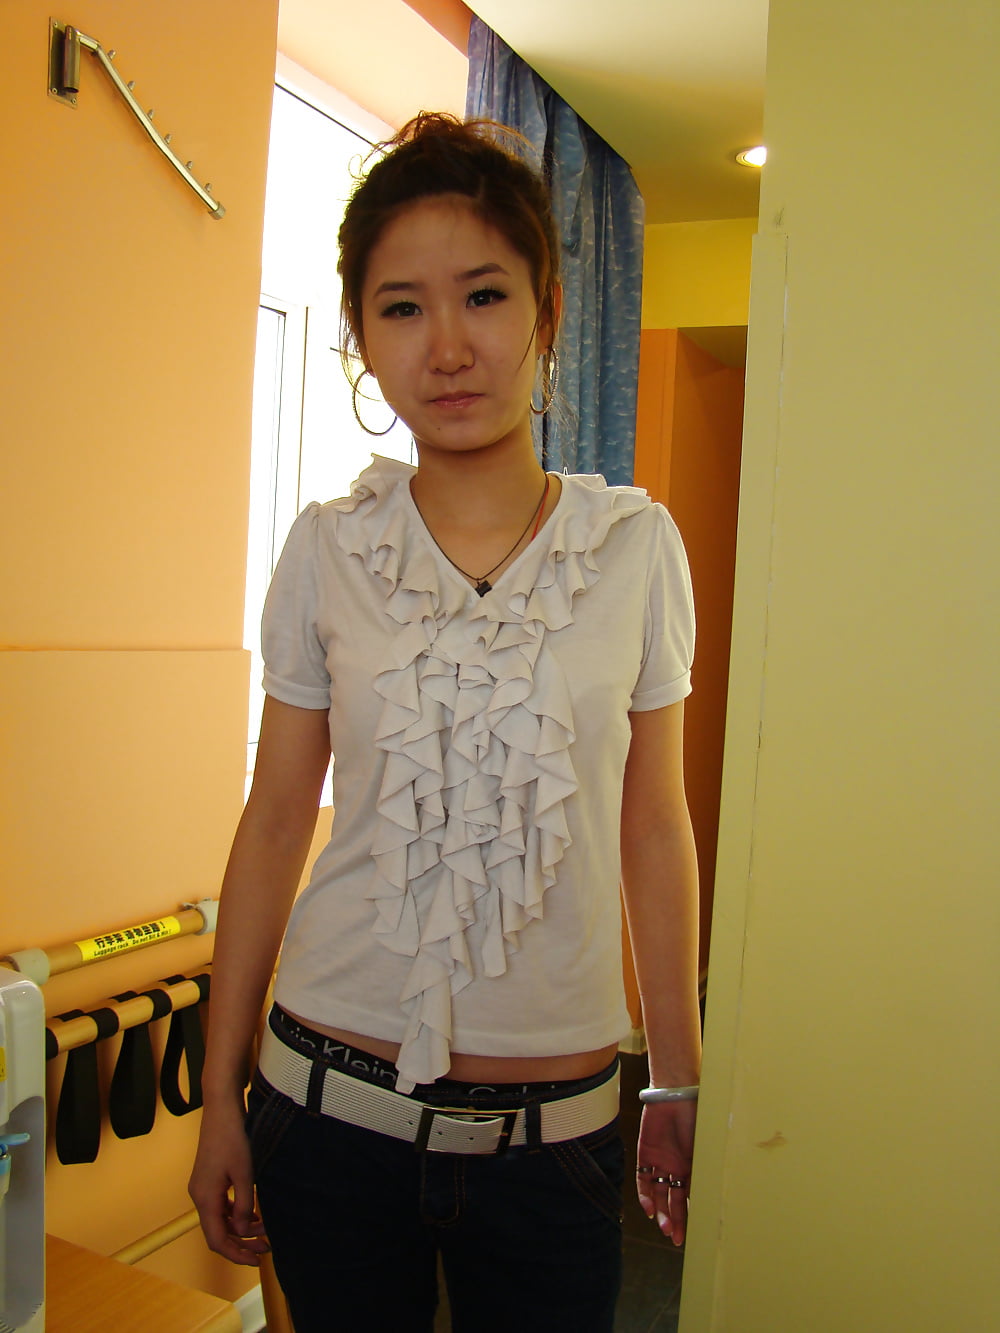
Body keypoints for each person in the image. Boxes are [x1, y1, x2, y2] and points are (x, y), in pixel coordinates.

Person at [189, 112, 701, 1333]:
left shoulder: (635, 547)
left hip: (557, 1144)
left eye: (483, 294)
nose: (450, 346)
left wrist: (676, 1076)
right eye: (402, 308)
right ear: (362, 337)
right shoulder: (327, 549)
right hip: (322, 1109)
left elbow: (652, 826)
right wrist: (216, 1097)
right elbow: (274, 823)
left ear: (546, 311)